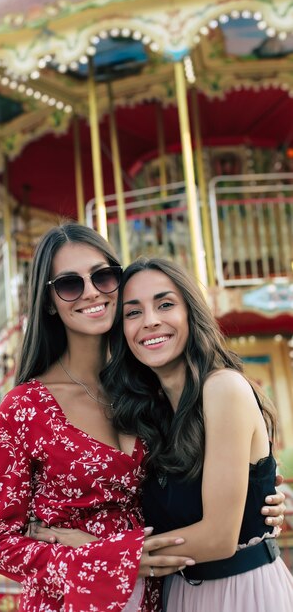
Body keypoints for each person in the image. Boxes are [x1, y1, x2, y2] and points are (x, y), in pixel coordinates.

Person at [0, 224, 286, 612]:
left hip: (164, 598)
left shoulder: (147, 390)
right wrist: (104, 560)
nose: (91, 292)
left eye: (103, 277)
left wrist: (263, 496)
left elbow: (201, 491)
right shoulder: (24, 408)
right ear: (50, 301)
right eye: (70, 284)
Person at [102, 257, 293, 611]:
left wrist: (95, 555)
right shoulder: (153, 414)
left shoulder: (223, 389)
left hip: (240, 593)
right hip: (181, 593)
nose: (150, 321)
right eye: (133, 312)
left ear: (191, 312)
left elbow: (219, 538)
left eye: (165, 304)